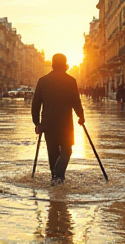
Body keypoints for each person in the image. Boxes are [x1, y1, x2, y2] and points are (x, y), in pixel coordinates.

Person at [31, 53, 85, 186]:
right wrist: (81, 116)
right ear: (65, 64)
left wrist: (37, 122)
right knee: (67, 151)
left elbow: (36, 103)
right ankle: (59, 175)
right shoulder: (70, 80)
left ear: (53, 64)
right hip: (65, 124)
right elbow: (76, 101)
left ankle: (55, 177)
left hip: (48, 124)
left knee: (53, 152)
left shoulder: (43, 81)